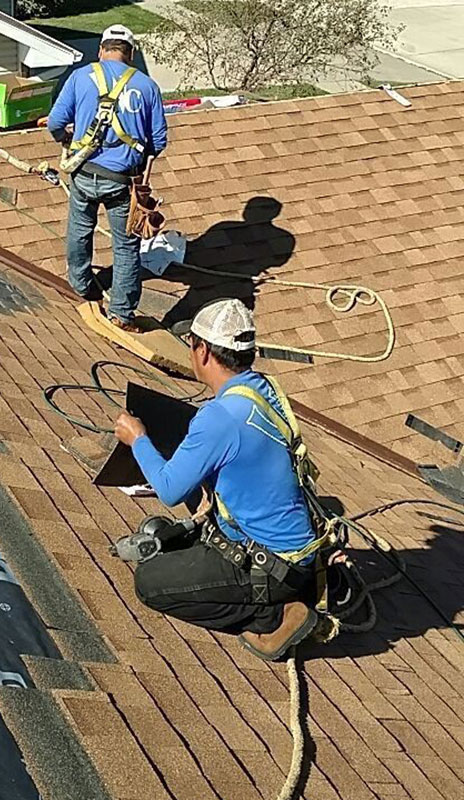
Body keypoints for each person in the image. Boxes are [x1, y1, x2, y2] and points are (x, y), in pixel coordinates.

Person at [113, 298, 320, 660]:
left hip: (271, 567)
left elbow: (168, 489)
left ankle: (275, 615)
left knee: (150, 584)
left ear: (203, 350)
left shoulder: (220, 418)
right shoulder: (261, 390)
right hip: (292, 554)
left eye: (190, 344)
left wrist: (138, 440)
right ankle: (285, 594)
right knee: (175, 543)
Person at [47, 24, 168, 332]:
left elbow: (56, 122)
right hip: (122, 180)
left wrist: (67, 137)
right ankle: (122, 314)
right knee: (126, 247)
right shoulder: (147, 86)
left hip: (84, 173)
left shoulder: (80, 77)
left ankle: (83, 286)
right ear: (131, 54)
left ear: (101, 50)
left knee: (79, 230)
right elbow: (158, 141)